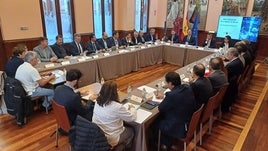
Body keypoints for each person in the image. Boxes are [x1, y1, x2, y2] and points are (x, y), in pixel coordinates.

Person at [153, 72, 197, 148]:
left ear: (170, 83)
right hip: (188, 120)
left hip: (178, 126)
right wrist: (164, 96)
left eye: (166, 82)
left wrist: (166, 98)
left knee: (154, 123)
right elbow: (179, 98)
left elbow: (161, 108)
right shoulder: (187, 87)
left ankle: (167, 144)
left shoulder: (171, 95)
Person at [92, 81, 136, 149]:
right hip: (112, 137)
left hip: (98, 135)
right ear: (114, 93)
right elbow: (132, 118)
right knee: (132, 131)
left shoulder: (97, 101)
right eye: (117, 90)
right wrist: (132, 108)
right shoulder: (117, 106)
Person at [222, 47, 244, 112]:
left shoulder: (231, 65)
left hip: (229, 86)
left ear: (232, 55)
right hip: (233, 84)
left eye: (228, 54)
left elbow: (224, 75)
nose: (227, 55)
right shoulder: (238, 61)